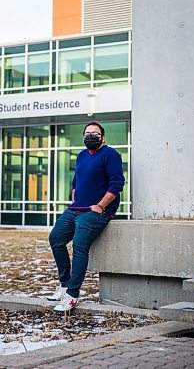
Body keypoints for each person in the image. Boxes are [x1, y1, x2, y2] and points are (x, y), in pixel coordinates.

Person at [48, 121, 125, 313]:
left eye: (95, 133)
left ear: (103, 137)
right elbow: (75, 182)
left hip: (96, 212)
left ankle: (72, 295)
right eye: (87, 133)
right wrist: (75, 200)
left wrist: (100, 206)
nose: (91, 136)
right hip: (76, 209)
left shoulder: (110, 155)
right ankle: (65, 284)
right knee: (56, 239)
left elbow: (117, 184)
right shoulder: (81, 155)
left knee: (79, 245)